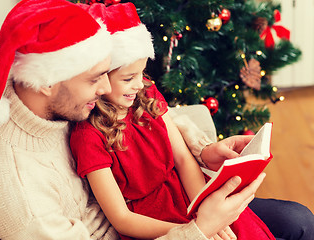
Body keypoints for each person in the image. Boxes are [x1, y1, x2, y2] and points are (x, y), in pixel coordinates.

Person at [0, 0, 313, 239]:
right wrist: (200, 227)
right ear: (49, 82)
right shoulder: (19, 196)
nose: (105, 89)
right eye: (94, 78)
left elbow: (153, 124)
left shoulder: (48, 96)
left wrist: (204, 152)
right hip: (153, 228)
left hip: (178, 206)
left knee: (299, 220)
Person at [70, 3, 277, 240]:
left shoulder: (146, 94)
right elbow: (122, 219)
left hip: (189, 194)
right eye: (128, 78)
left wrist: (203, 211)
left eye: (142, 73)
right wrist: (196, 229)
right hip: (152, 222)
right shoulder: (87, 136)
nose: (139, 85)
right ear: (99, 77)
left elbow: (182, 158)